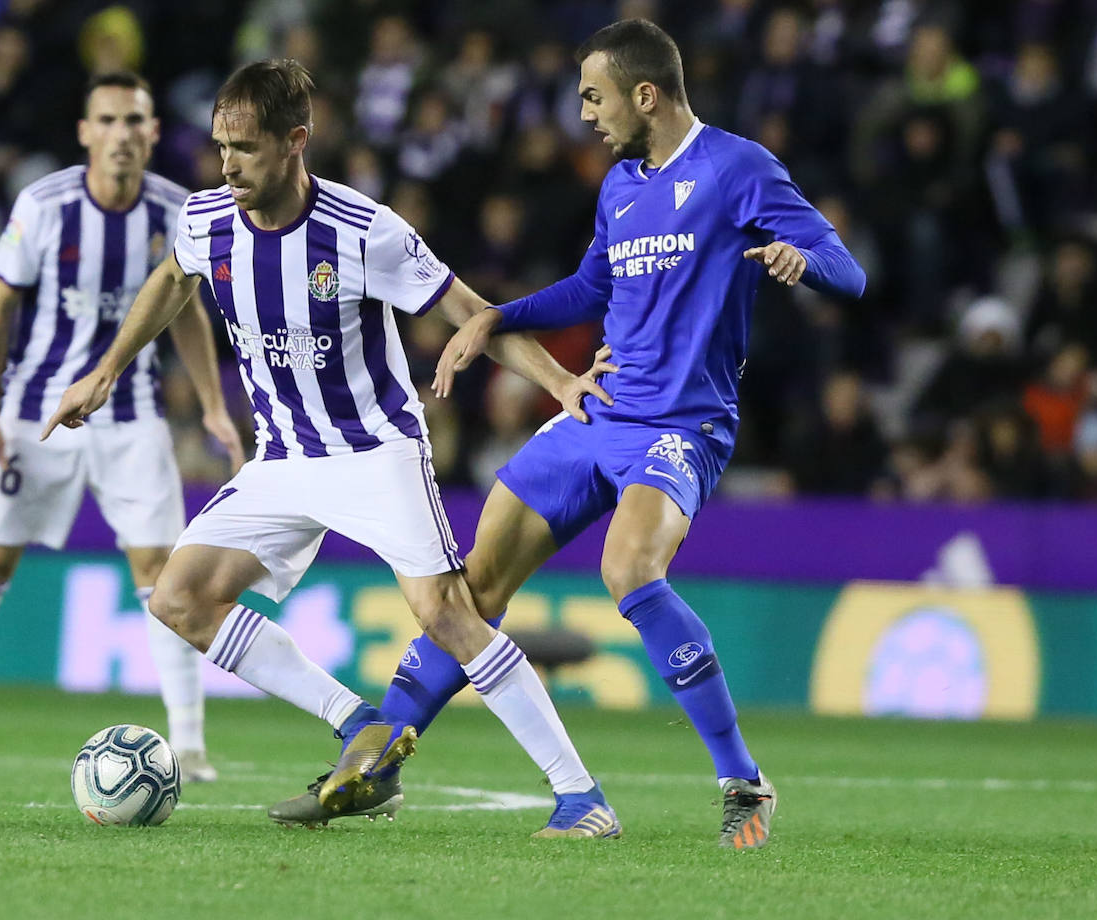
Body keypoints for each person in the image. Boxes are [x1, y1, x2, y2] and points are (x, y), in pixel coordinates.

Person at [274, 19, 866, 849]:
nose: (584, 112)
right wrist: (493, 319)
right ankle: (376, 766)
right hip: (599, 410)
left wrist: (805, 263)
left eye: (595, 95)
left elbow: (850, 268)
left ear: (645, 94)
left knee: (629, 570)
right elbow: (592, 286)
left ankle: (742, 779)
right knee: (471, 588)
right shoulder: (621, 185)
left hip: (683, 424)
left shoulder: (738, 168)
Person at [43, 59, 624, 839]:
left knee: (447, 614)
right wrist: (106, 370)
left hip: (373, 449)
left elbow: (469, 312)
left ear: (296, 142)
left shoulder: (363, 231)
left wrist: (558, 383)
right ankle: (360, 725)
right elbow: (172, 281)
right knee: (177, 598)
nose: (228, 165)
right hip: (283, 460)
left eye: (245, 148)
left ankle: (581, 796)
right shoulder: (207, 218)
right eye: (220, 146)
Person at [0, 72, 245, 782]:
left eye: (135, 121)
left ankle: (191, 745)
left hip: (134, 415)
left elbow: (190, 312)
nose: (121, 134)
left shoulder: (176, 210)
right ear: (86, 132)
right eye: (107, 119)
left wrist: (210, 406)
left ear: (152, 133)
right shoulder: (44, 205)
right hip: (35, 413)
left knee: (162, 575)